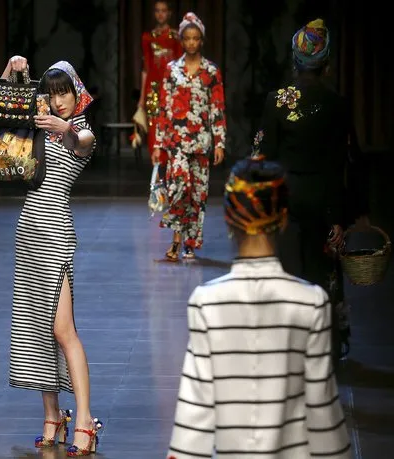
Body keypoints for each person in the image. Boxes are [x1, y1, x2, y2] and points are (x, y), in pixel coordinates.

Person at [167, 157, 351, 458]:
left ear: (229, 219)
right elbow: (322, 414)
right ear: (282, 218)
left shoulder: (206, 303)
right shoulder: (311, 302)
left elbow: (194, 417)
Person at [0, 56, 103, 457]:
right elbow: (3, 105)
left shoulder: (82, 131)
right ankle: (52, 416)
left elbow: (80, 142)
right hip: (27, 231)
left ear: (77, 94)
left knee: (63, 329)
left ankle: (84, 420)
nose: (59, 100)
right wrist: (12, 72)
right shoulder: (38, 124)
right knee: (36, 330)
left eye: (65, 92)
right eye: (53, 92)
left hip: (56, 232)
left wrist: (66, 129)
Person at [255, 19, 370, 361]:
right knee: (324, 275)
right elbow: (349, 160)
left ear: (295, 60)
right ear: (327, 62)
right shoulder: (338, 104)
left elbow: (261, 157)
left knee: (288, 270)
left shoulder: (277, 101)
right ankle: (325, 346)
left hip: (285, 201)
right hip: (327, 202)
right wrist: (352, 211)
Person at [153, 12, 226, 261]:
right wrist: (158, 144)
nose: (192, 42)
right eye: (187, 38)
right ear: (182, 40)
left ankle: (190, 243)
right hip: (177, 142)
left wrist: (220, 142)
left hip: (202, 141)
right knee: (178, 189)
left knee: (198, 193)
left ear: (201, 40)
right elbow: (163, 109)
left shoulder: (212, 71)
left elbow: (217, 108)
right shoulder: (171, 70)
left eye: (196, 38)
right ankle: (176, 239)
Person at [137, 0, 183, 158]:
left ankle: (172, 168)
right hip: (153, 88)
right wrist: (142, 98)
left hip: (173, 88)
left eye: (164, 10)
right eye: (157, 10)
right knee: (154, 127)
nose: (160, 14)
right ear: (154, 13)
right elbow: (146, 68)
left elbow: (181, 65)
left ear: (169, 13)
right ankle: (156, 170)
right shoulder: (147, 38)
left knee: (173, 126)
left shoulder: (176, 37)